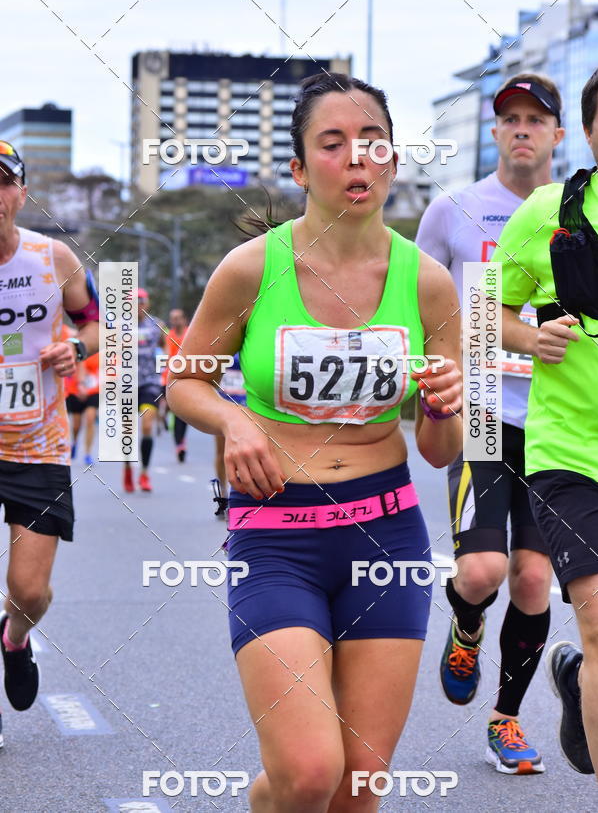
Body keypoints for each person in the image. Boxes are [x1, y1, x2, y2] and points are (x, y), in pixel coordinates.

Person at [169, 73, 463, 812]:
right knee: (306, 771)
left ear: (393, 160)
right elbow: (184, 382)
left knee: (357, 787)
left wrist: (441, 406)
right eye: (333, 145)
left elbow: (441, 447)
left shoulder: (429, 286)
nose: (356, 160)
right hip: (277, 535)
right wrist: (236, 420)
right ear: (300, 168)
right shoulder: (251, 270)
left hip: (386, 532)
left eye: (372, 143)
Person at [416, 74, 565, 774]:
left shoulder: (580, 213)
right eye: (511, 118)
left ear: (558, 135)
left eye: (537, 118)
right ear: (495, 131)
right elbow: (417, 298)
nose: (523, 129)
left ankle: (505, 720)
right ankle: (466, 619)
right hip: (480, 412)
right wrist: (426, 372)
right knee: (483, 570)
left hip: (556, 421)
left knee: (533, 582)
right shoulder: (454, 210)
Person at [490, 66, 598, 777]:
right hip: (567, 452)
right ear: (589, 130)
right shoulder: (546, 210)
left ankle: (577, 684)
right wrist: (530, 337)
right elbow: (483, 313)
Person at [0, 140, 99, 747]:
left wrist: (78, 348)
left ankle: (14, 637)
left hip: (36, 443)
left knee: (29, 590)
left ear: (20, 194)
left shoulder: (52, 256)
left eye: (2, 183)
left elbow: (96, 319)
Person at [123, 288, 165, 493]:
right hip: (127, 383)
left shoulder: (157, 325)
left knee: (147, 425)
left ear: (147, 304)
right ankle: (128, 469)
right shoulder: (119, 326)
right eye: (134, 302)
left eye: (141, 302)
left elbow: (167, 348)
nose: (138, 306)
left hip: (150, 382)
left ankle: (145, 473)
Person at [212, 352, 247, 516]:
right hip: (222, 403)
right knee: (221, 452)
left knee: (242, 452)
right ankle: (223, 493)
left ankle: (239, 495)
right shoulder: (220, 343)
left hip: (245, 403)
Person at [163, 308, 189, 462]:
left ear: (184, 319)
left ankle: (180, 444)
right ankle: (164, 415)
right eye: (173, 318)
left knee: (182, 412)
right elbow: (167, 356)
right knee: (172, 408)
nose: (176, 321)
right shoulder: (169, 336)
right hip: (170, 376)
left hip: (186, 377)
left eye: (178, 318)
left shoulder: (190, 333)